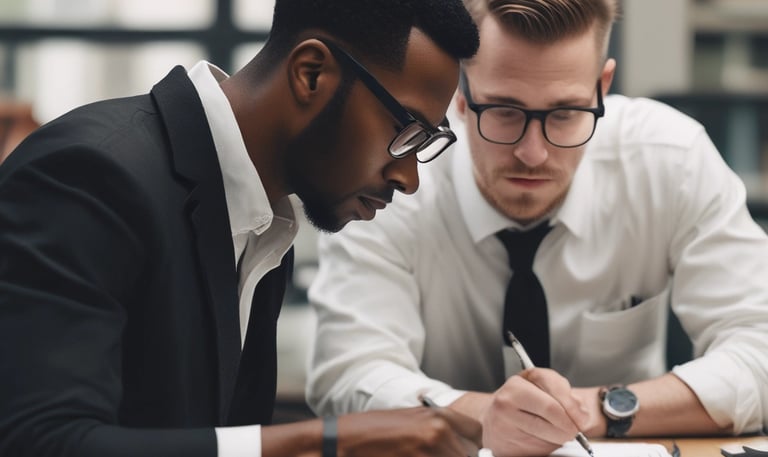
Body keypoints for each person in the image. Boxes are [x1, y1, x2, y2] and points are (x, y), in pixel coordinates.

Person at [0, 1, 483, 456]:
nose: (409, 178)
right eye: (406, 130)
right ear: (311, 74)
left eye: (426, 142)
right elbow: (41, 442)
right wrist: (325, 443)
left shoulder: (264, 221)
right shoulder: (88, 176)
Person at [306, 0, 768, 456]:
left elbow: (760, 349)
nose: (533, 154)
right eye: (504, 110)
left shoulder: (671, 160)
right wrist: (486, 418)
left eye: (564, 114)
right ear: (459, 94)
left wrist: (593, 410)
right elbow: (349, 375)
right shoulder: (397, 183)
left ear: (602, 88)